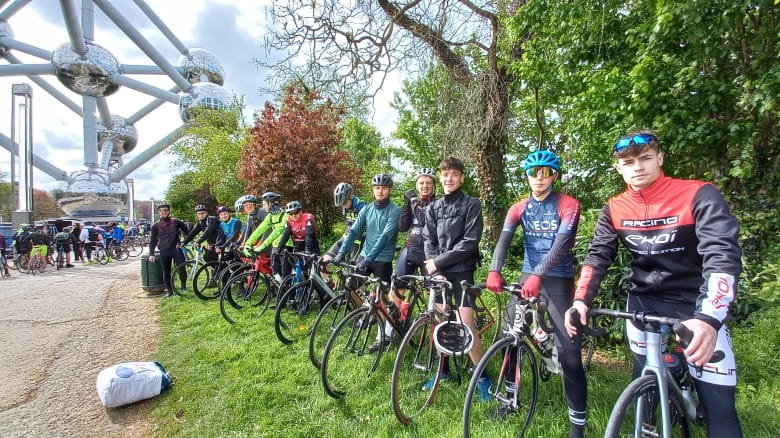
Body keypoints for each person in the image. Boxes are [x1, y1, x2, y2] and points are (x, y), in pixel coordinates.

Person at [564, 131, 743, 437]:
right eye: (628, 162)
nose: (638, 167)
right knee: (643, 390)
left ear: (660, 159)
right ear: (619, 168)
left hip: (694, 305)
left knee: (720, 407)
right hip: (642, 304)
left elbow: (722, 253)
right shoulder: (615, 207)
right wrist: (581, 300)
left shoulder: (699, 194)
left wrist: (710, 318)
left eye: (645, 158)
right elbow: (597, 257)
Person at [486, 150, 586, 436]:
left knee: (569, 353)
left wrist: (538, 275)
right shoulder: (518, 207)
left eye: (545, 172)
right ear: (527, 176)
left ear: (554, 175)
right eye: (533, 172)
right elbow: (504, 241)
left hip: (557, 276)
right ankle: (510, 399)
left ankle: (577, 425)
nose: (539, 178)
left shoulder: (568, 205)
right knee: (510, 337)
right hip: (528, 274)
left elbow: (561, 247)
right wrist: (495, 269)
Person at [422, 157, 488, 397]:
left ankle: (482, 377)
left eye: (454, 174)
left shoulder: (472, 204)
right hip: (440, 275)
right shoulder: (432, 208)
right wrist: (436, 270)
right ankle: (442, 372)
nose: (449, 178)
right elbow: (429, 241)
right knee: (439, 323)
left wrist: (437, 262)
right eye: (445, 174)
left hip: (462, 271)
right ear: (440, 177)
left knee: (465, 325)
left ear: (462, 177)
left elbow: (470, 243)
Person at [331, 174, 400, 352]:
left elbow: (385, 237)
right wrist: (340, 252)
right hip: (365, 256)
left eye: (384, 188)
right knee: (349, 285)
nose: (380, 191)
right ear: (373, 189)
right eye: (377, 188)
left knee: (382, 299)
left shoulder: (394, 210)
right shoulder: (367, 209)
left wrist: (369, 258)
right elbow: (353, 231)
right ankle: (365, 311)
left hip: (382, 259)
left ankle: (383, 334)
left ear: (389, 190)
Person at [393, 168, 437, 323]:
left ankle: (437, 335)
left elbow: (426, 222)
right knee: (396, 288)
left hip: (429, 255)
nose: (425, 186)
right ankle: (387, 332)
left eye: (428, 183)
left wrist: (412, 202)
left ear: (433, 186)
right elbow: (402, 227)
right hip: (410, 250)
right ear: (417, 185)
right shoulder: (413, 203)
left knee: (434, 294)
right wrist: (407, 204)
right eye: (421, 183)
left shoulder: (438, 204)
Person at [243, 192, 293, 279]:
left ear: (271, 204)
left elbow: (276, 232)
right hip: (275, 246)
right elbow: (259, 230)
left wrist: (262, 246)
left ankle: (290, 291)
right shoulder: (270, 216)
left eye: (265, 204)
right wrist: (248, 243)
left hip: (286, 245)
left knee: (285, 274)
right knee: (275, 272)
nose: (263, 207)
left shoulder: (285, 215)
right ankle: (281, 290)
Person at [148, 203, 189, 298]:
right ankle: (170, 291)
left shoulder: (176, 222)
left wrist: (184, 242)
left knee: (182, 268)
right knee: (166, 271)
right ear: (158, 212)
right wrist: (151, 254)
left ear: (169, 211)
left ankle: (183, 287)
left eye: (165, 210)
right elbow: (153, 241)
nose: (164, 212)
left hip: (176, 249)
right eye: (161, 211)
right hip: (164, 250)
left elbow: (188, 233)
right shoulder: (155, 226)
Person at [323, 182, 367, 262]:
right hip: (346, 236)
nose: (343, 206)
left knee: (352, 269)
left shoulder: (362, 207)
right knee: (325, 260)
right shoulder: (345, 206)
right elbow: (348, 224)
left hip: (359, 240)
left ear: (351, 196)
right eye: (341, 204)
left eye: (344, 203)